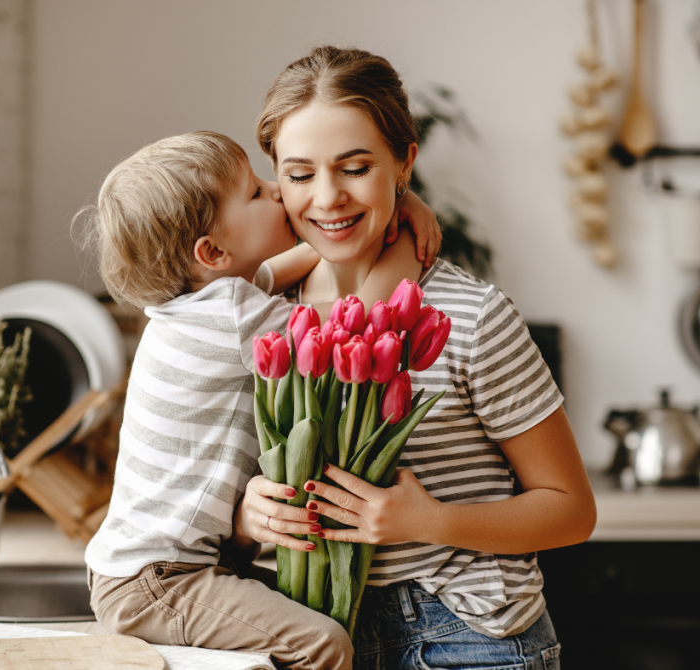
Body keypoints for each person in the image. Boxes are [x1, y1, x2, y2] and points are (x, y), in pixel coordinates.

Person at [238, 45, 596, 670]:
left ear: (404, 162)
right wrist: (249, 518)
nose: (327, 198)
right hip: (307, 635)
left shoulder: (473, 317)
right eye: (300, 175)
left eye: (355, 167)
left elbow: (570, 509)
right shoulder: (257, 314)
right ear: (275, 179)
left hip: (469, 637)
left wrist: (427, 521)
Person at [80, 130, 440, 670]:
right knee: (322, 641)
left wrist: (389, 200)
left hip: (148, 570)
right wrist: (405, 235)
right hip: (159, 582)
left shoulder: (201, 302)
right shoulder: (230, 316)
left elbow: (281, 269)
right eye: (254, 192)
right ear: (213, 253)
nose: (277, 191)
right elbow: (357, 324)